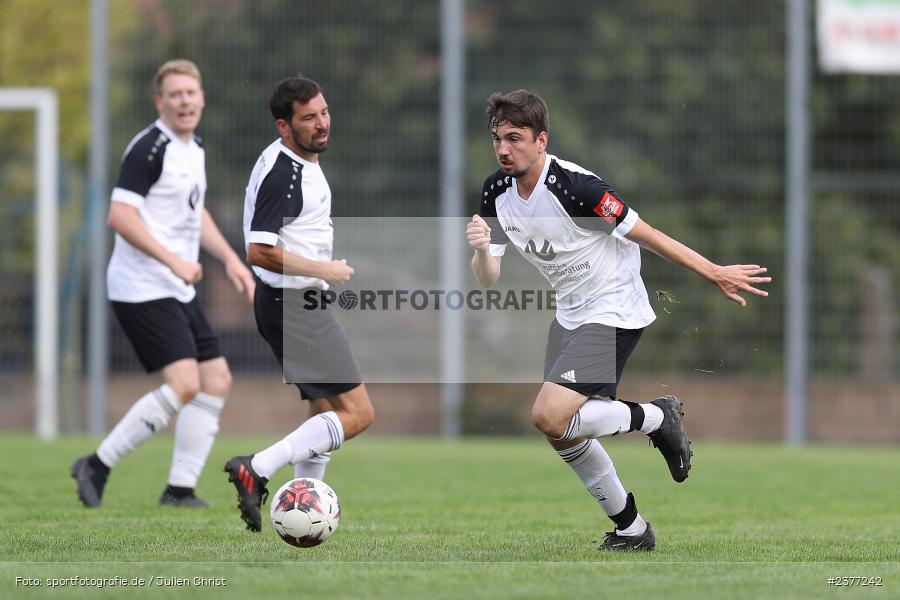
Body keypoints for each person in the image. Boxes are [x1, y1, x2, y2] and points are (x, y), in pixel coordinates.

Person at [467, 90, 770, 551]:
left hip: (613, 308)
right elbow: (488, 278)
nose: (504, 149)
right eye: (497, 139)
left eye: (515, 138)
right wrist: (480, 249)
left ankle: (654, 417)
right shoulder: (496, 191)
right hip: (570, 314)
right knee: (561, 432)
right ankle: (631, 529)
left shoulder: (576, 188)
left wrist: (713, 272)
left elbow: (646, 234)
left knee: (547, 414)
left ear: (541, 140)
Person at [71, 59, 255, 509]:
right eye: (174, 94)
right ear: (161, 102)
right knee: (186, 383)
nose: (184, 101)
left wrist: (231, 258)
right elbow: (121, 217)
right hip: (141, 286)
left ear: (202, 98)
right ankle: (96, 464)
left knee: (215, 378)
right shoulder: (148, 149)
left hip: (176, 285)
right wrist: (175, 260)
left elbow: (196, 214)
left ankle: (179, 489)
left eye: (191, 93)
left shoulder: (195, 149)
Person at [224, 75, 374, 532]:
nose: (322, 123)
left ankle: (303, 512)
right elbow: (258, 249)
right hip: (295, 305)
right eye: (308, 118)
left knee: (323, 412)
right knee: (358, 414)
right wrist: (323, 269)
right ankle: (257, 467)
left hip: (291, 304)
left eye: (324, 112)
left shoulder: (297, 161)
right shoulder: (284, 174)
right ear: (283, 127)